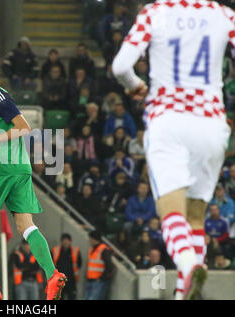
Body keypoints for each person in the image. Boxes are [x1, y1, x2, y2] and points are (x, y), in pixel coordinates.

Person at [112, 0, 234, 299]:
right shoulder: (225, 16)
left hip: (169, 121)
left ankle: (188, 262)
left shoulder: (156, 12)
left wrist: (134, 84)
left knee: (171, 214)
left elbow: (120, 67)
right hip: (211, 125)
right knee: (196, 217)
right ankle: (183, 293)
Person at [0, 52, 67, 300]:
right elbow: (7, 141)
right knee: (25, 225)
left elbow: (24, 128)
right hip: (18, 168)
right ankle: (53, 275)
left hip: (2, 170)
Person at [84, 230, 114, 300]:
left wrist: (102, 278)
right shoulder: (92, 249)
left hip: (98, 282)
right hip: (91, 280)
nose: (89, 240)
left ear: (94, 239)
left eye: (90, 238)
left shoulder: (103, 249)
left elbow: (109, 266)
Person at [51, 234, 81, 300]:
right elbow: (51, 263)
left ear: (70, 241)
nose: (65, 242)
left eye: (67, 240)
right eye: (64, 240)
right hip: (58, 280)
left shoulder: (75, 250)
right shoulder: (55, 250)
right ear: (61, 241)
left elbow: (79, 263)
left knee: (72, 297)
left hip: (71, 279)